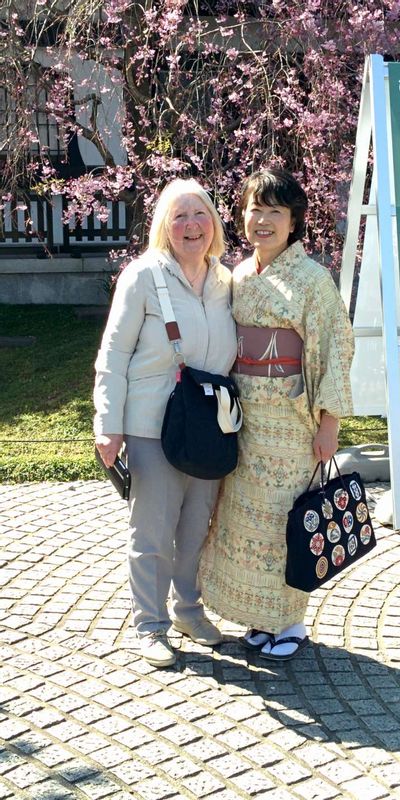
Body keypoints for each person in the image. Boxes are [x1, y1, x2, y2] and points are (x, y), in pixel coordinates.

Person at [199, 168, 354, 661]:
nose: (262, 220)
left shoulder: (312, 280)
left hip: (291, 420)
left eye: (275, 212)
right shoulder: (239, 276)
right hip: (244, 417)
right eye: (254, 209)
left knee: (287, 520)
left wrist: (329, 423)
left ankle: (291, 620)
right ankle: (261, 619)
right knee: (247, 521)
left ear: (294, 222)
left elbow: (335, 348)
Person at [93, 178, 237, 667]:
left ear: (213, 223)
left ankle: (188, 610)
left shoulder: (225, 280)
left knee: (197, 526)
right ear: (163, 226)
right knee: (152, 529)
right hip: (152, 425)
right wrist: (108, 422)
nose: (191, 225)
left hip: (210, 426)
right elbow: (113, 353)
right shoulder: (143, 276)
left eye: (199, 214)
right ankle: (149, 624)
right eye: (179, 216)